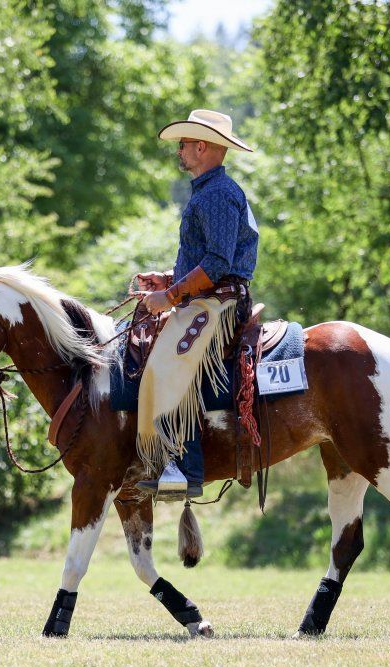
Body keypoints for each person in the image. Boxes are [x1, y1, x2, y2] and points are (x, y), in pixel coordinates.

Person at [133, 109, 258, 500]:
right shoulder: (210, 191)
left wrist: (167, 297)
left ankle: (186, 469)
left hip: (219, 304)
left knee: (170, 363)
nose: (180, 150)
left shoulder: (218, 194)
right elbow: (206, 259)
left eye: (184, 144)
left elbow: (219, 263)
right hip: (208, 298)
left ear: (202, 146)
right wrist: (170, 280)